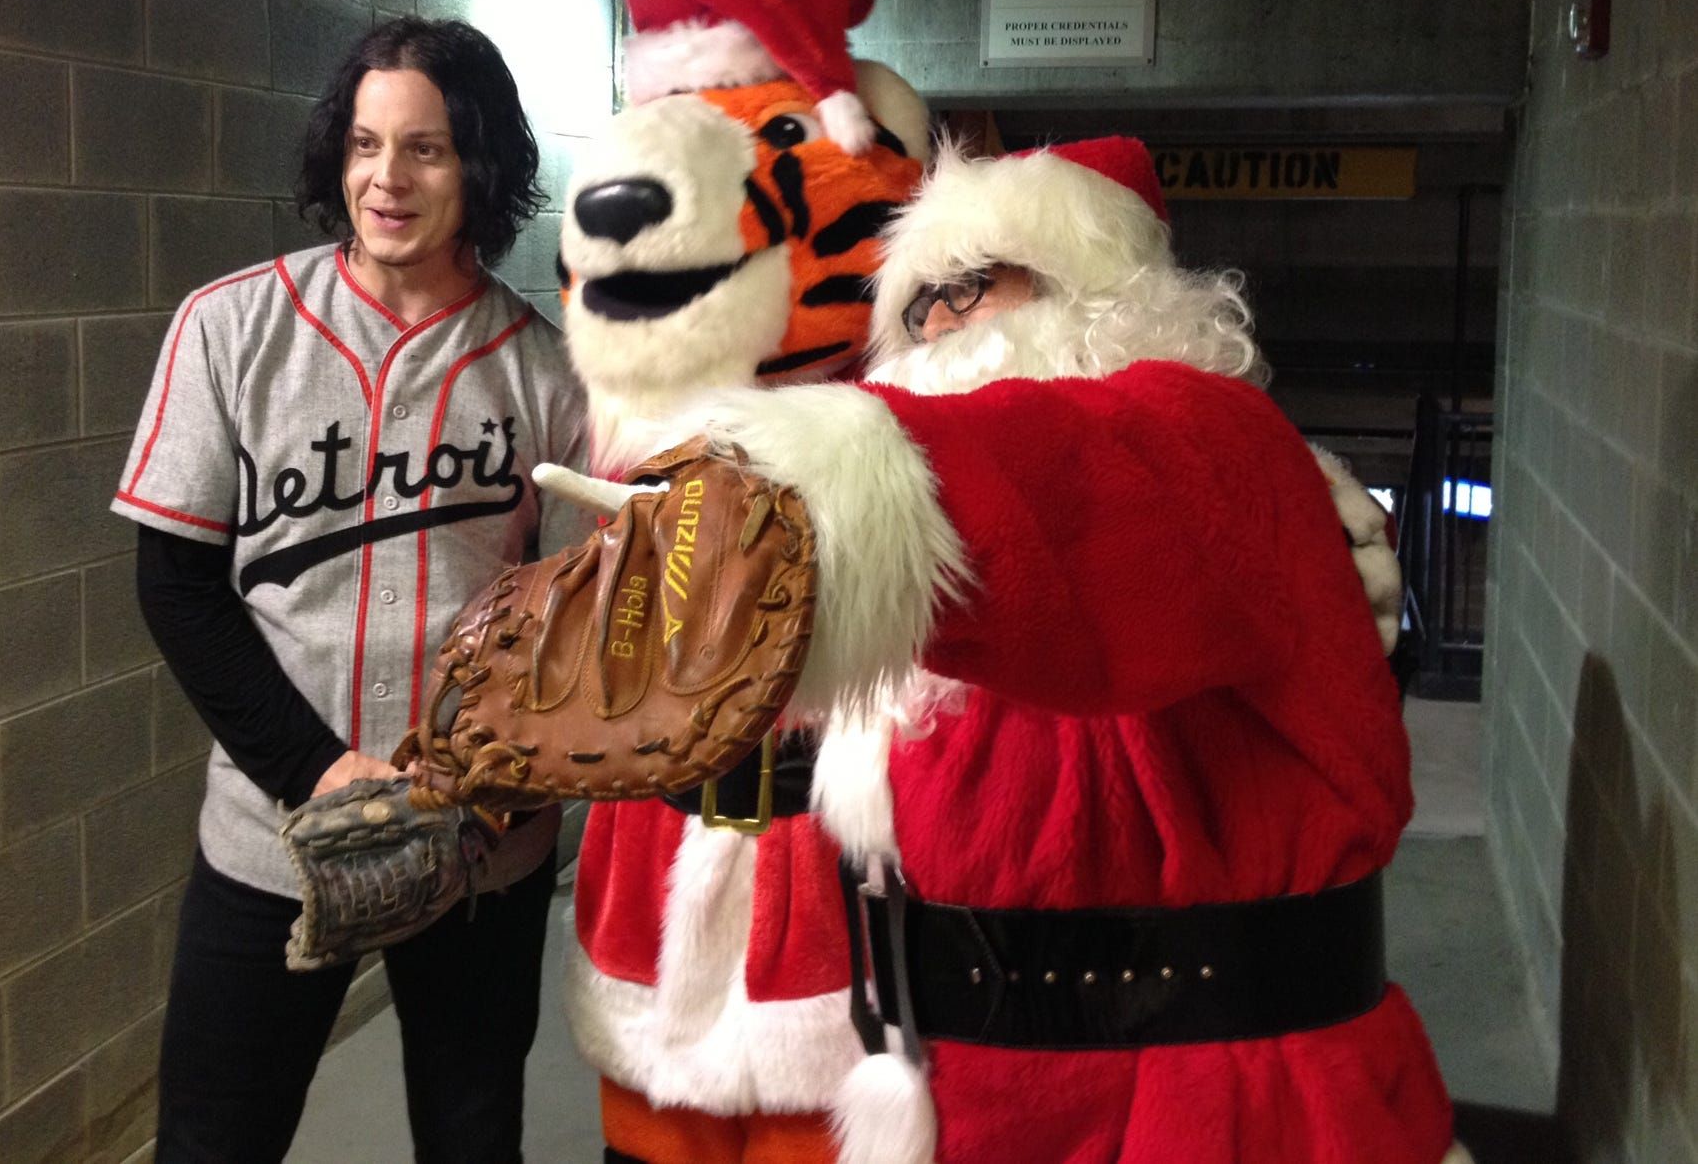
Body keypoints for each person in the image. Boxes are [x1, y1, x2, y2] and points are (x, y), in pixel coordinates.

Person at [547, 137, 1464, 1164]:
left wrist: (800, 486)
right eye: (917, 302)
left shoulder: (1219, 447)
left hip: (1214, 1105)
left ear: (1099, 290)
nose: (939, 320)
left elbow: (1053, 481)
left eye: (974, 282)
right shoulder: (932, 611)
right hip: (970, 1097)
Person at [113, 16, 589, 1164]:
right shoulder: (230, 327)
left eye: (425, 148)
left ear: (478, 165)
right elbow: (178, 586)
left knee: (472, 1137)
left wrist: (494, 782)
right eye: (366, 143)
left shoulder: (547, 368)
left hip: (479, 843)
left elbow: (573, 624)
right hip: (270, 835)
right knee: (213, 1141)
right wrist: (320, 769)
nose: (386, 176)